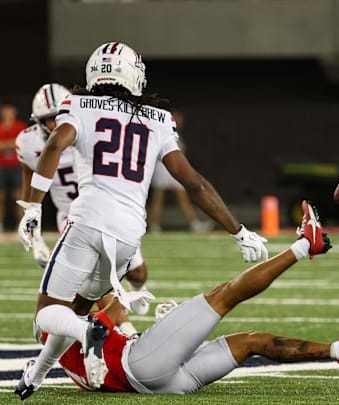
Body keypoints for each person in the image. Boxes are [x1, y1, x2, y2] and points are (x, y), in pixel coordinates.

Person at [15, 42, 268, 392]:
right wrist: (238, 231)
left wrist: (32, 207)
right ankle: (38, 373)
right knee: (80, 307)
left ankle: (87, 331)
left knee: (47, 313)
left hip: (87, 221)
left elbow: (56, 145)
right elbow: (192, 182)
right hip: (128, 235)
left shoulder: (79, 104)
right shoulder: (159, 117)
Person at [16, 201, 339, 399]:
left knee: (251, 341)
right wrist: (123, 304)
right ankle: (306, 245)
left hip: (160, 377)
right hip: (140, 365)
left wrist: (34, 376)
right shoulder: (63, 324)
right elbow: (98, 318)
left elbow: (102, 323)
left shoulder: (63, 336)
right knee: (225, 295)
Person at [16, 83, 150, 320]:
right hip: (71, 217)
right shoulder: (28, 144)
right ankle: (124, 331)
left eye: (59, 116)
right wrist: (36, 238)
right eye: (50, 119)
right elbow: (29, 184)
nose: (57, 123)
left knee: (137, 274)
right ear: (39, 120)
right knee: (93, 285)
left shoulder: (92, 129)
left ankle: (138, 290)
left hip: (109, 210)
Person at [147, 111, 211, 232]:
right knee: (161, 197)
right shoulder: (166, 132)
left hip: (167, 167)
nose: (179, 122)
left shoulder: (175, 134)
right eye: (177, 119)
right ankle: (155, 225)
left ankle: (156, 225)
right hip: (166, 167)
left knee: (176, 197)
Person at [0, 104, 26, 233]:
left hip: (17, 165)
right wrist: (11, 143)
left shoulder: (20, 126)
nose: (8, 113)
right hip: (0, 166)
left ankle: (20, 225)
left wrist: (1, 144)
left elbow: (23, 143)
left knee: (19, 196)